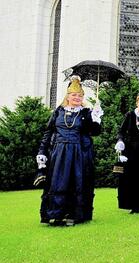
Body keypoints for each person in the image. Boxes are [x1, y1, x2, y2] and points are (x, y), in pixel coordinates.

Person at [35, 75, 103, 226]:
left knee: (76, 183)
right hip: (59, 152)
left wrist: (96, 116)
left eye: (80, 95)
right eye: (74, 95)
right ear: (68, 96)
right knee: (57, 182)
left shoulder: (86, 113)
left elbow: (95, 131)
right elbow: (48, 133)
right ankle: (54, 214)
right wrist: (41, 152)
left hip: (79, 153)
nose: (77, 98)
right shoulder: (58, 112)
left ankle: (74, 215)